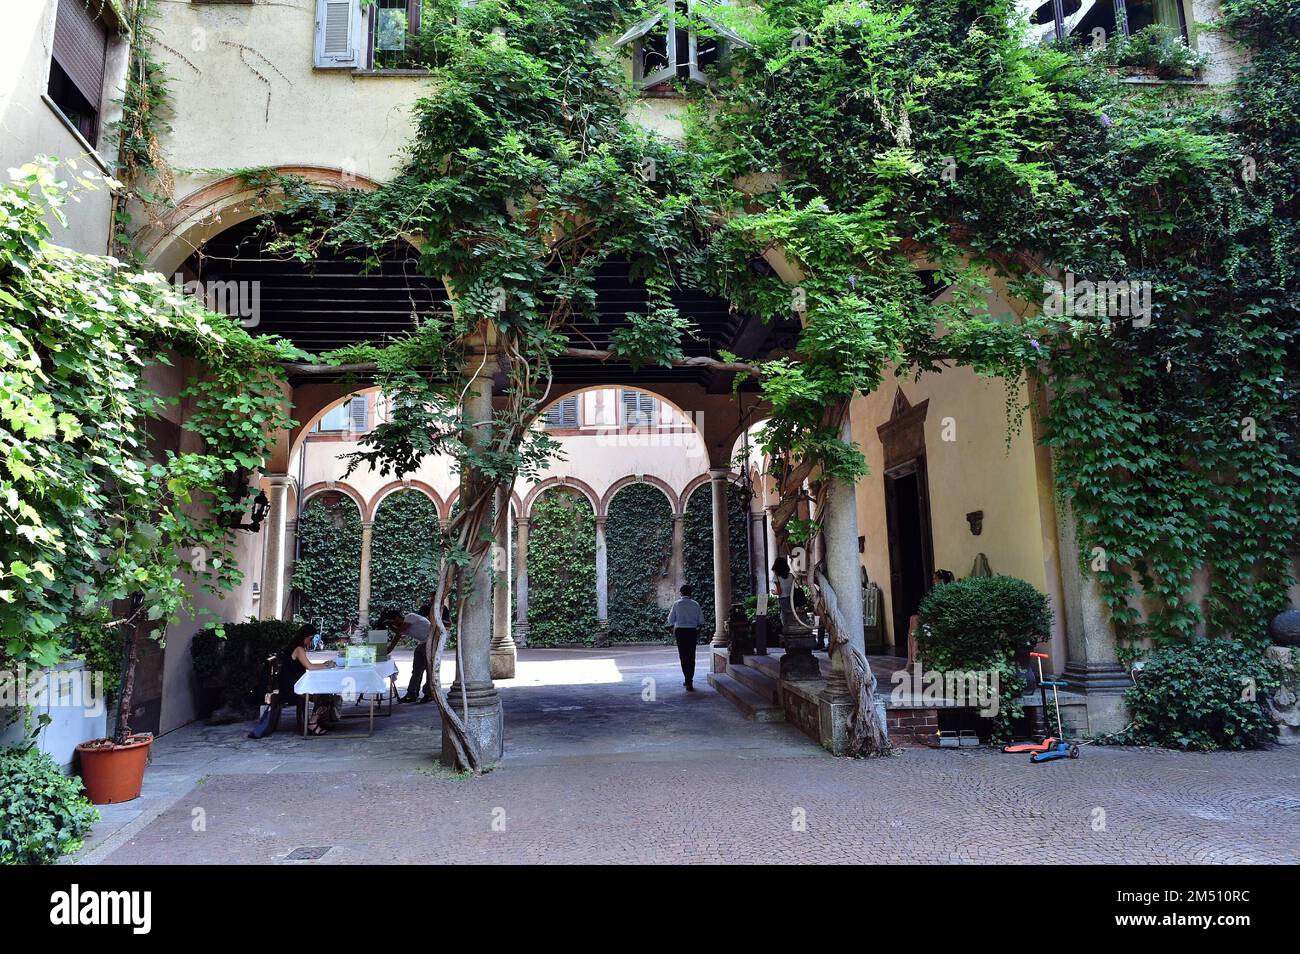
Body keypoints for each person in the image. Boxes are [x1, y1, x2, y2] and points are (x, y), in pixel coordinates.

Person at [279, 625, 338, 735]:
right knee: (324, 696)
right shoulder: (299, 649)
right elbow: (309, 667)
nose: (311, 642)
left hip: (290, 685)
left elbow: (308, 665)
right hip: (294, 688)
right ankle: (313, 723)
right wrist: (327, 666)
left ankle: (320, 720)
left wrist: (323, 664)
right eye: (311, 639)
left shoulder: (294, 646)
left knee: (325, 692)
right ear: (305, 637)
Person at [379, 605, 434, 703]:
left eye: (393, 621)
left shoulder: (410, 617)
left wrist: (389, 625)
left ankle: (429, 694)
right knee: (416, 671)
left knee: (429, 670)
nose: (394, 624)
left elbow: (398, 633)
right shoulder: (405, 626)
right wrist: (389, 625)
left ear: (396, 618)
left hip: (431, 642)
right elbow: (398, 632)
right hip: (422, 643)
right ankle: (411, 694)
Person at [665, 584, 704, 691]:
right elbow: (701, 621)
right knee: (691, 656)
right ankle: (689, 679)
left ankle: (687, 679)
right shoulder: (696, 605)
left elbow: (670, 620)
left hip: (680, 632)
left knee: (683, 656)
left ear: (680, 593)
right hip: (692, 631)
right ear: (691, 593)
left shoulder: (676, 604)